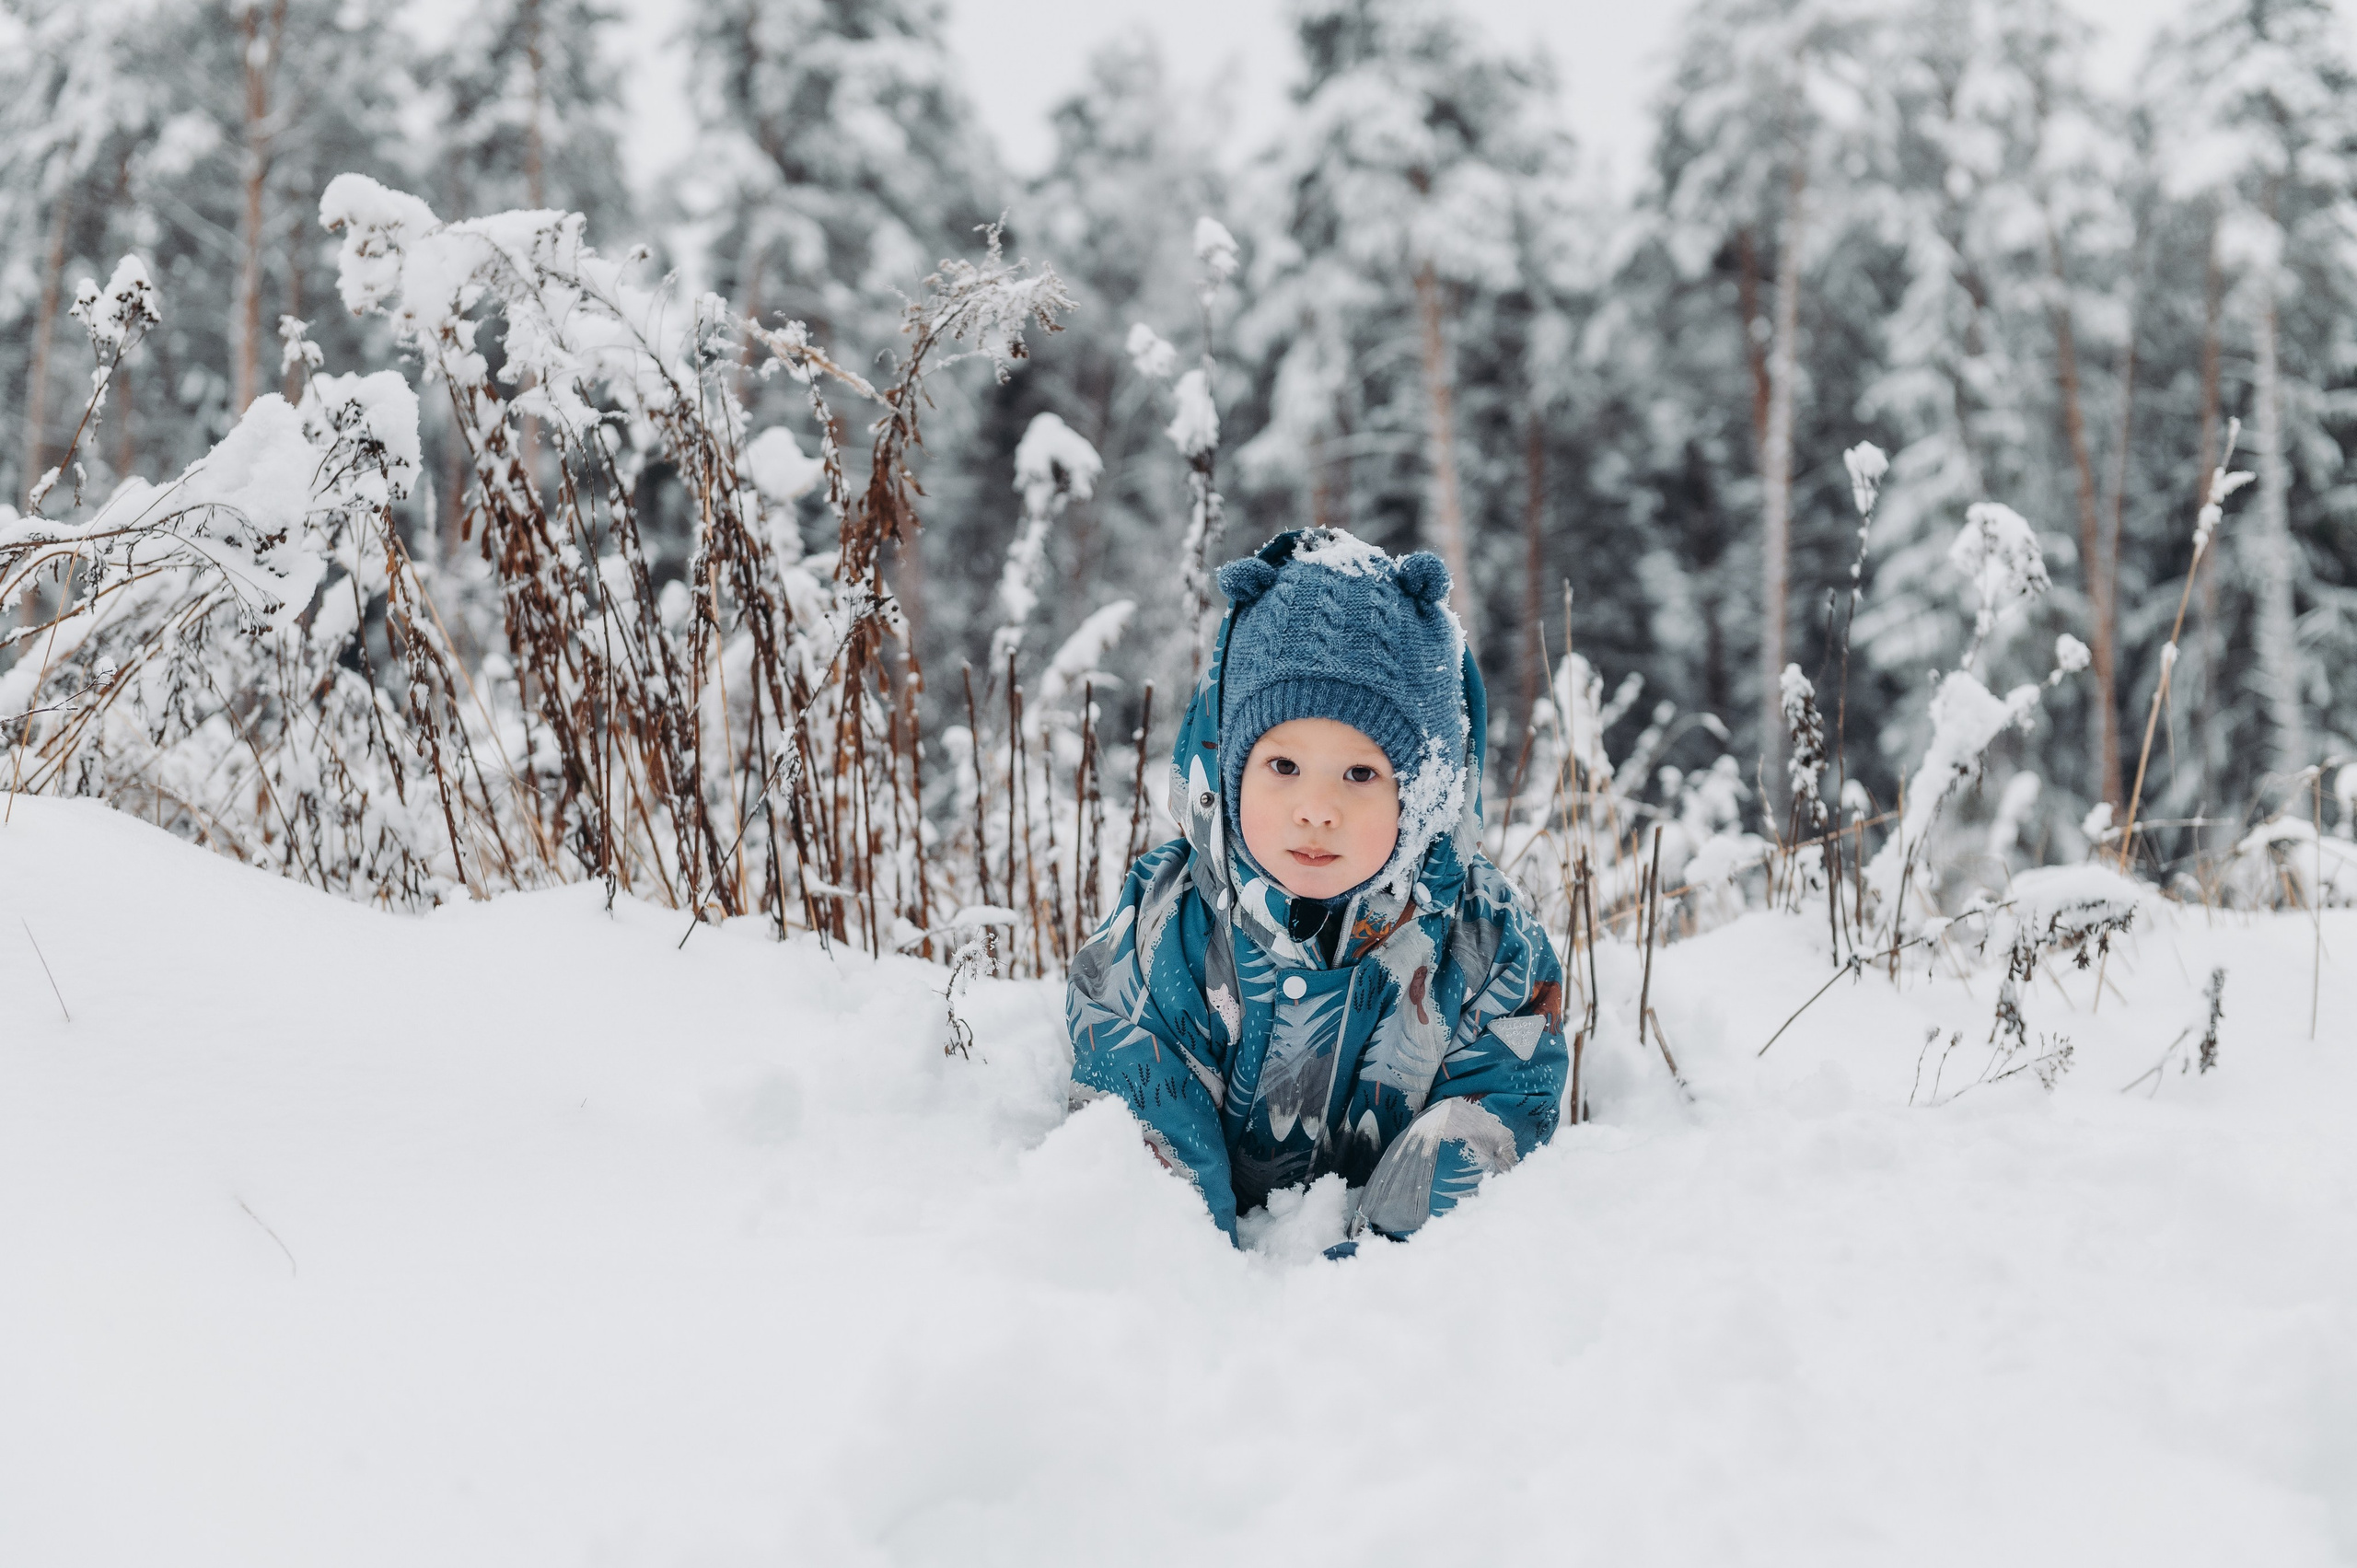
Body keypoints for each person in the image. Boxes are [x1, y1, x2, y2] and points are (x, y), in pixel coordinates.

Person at [1066, 527, 1570, 1251]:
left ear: (1423, 795)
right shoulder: (1172, 923)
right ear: (1231, 770)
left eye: (1360, 775)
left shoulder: (1486, 948)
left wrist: (1387, 1261)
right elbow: (1131, 1070)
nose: (1316, 808)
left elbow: (1507, 1093)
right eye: (1282, 767)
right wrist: (1186, 1255)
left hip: (1395, 1296)